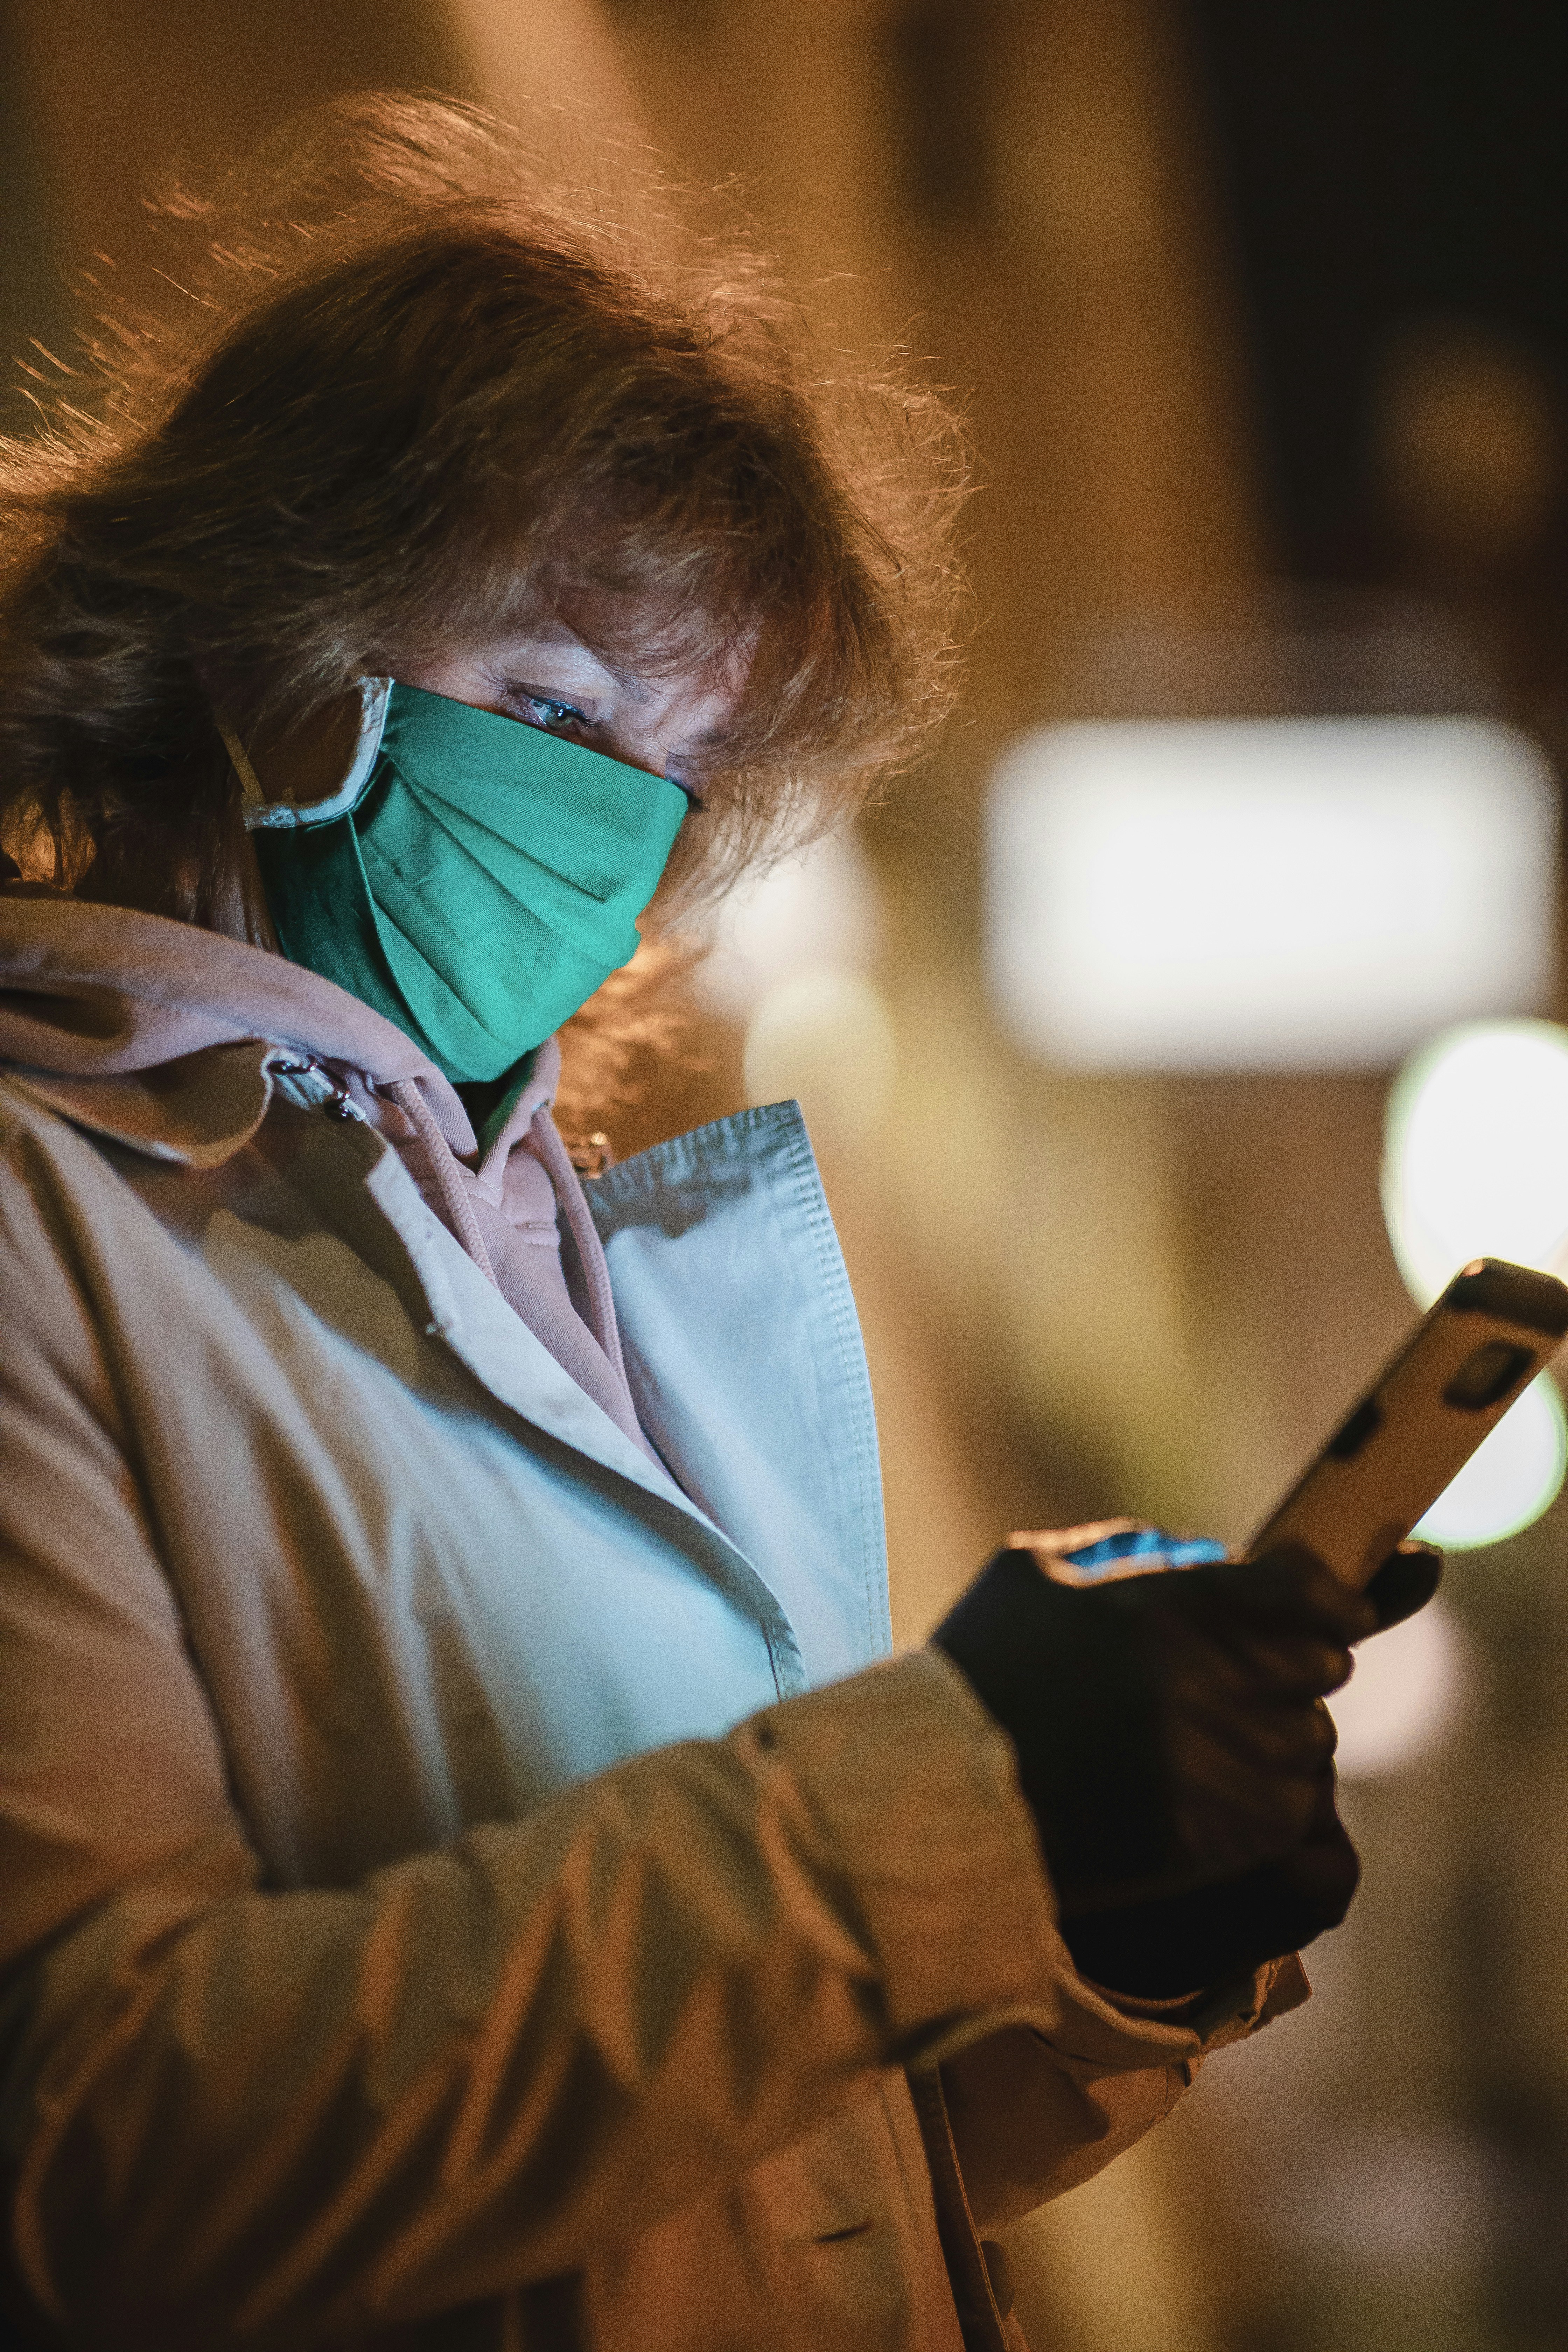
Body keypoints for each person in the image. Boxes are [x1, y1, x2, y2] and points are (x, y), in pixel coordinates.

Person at [0, 96, 1437, 2352]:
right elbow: (103, 2154)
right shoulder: (42, 1235)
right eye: (553, 705)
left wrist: (1107, 1923)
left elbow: (748, 2149)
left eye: (680, 772)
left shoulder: (584, 1269)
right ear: (261, 631)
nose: (610, 834)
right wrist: (947, 1792)